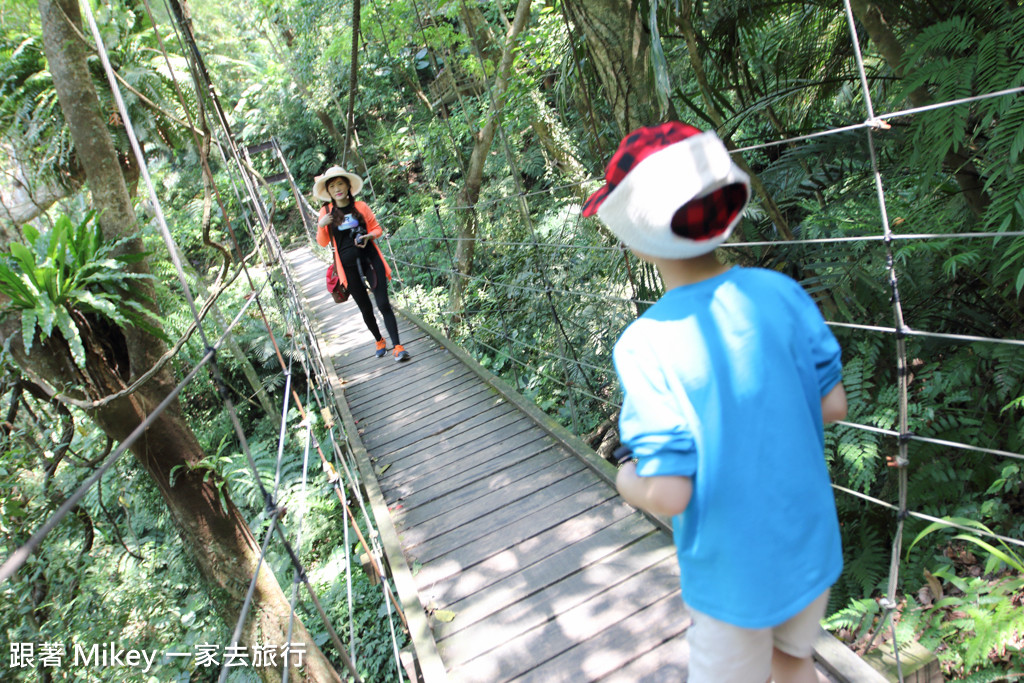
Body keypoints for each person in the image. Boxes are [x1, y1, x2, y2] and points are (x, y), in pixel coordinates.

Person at [582, 122, 848, 683]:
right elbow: (834, 406)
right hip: (809, 546)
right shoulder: (781, 292)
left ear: (630, 233)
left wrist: (625, 480)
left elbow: (672, 493)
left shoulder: (645, 344)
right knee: (792, 661)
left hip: (732, 575)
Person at [313, 166, 409, 361]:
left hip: (370, 260)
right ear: (328, 191)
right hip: (347, 268)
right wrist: (321, 225)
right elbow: (322, 242)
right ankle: (379, 340)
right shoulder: (326, 212)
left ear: (348, 185)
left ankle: (398, 346)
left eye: (340, 183)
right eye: (332, 186)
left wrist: (368, 236)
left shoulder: (361, 207)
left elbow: (377, 229)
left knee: (383, 303)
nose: (337, 188)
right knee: (365, 308)